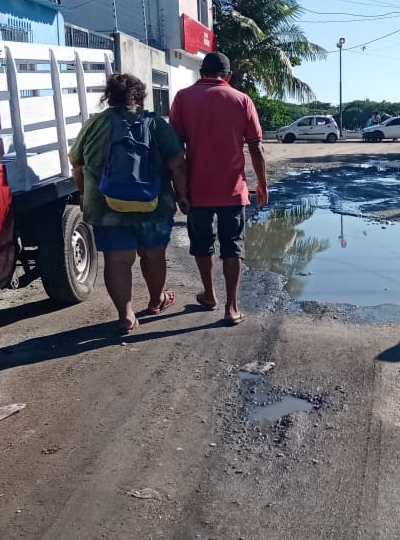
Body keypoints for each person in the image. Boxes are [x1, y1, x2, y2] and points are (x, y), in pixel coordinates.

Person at [69, 73, 189, 335]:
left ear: (109, 97)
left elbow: (76, 163)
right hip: (154, 205)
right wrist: (182, 195)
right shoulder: (156, 123)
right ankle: (156, 302)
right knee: (154, 254)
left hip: (107, 208)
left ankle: (126, 316)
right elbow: (177, 163)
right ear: (141, 97)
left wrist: (83, 193)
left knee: (117, 260)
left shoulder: (94, 124)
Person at [169, 52, 268, 326]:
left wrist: (179, 189)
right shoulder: (242, 99)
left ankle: (210, 295)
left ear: (201, 72)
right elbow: (256, 147)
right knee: (232, 246)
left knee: (202, 244)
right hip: (233, 190)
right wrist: (261, 183)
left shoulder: (183, 98)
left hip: (196, 190)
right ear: (228, 76)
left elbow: (175, 150)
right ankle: (232, 307)